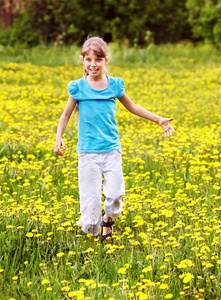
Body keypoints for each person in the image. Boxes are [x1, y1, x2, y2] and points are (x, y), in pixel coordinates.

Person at [54, 36, 175, 242]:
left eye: (98, 60)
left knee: (116, 193)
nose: (93, 64)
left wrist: (159, 120)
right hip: (88, 153)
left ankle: (108, 219)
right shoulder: (78, 87)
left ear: (105, 61)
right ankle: (94, 240)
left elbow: (133, 107)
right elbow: (65, 115)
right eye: (89, 60)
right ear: (83, 60)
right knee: (90, 203)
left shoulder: (115, 85)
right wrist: (58, 137)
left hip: (111, 150)